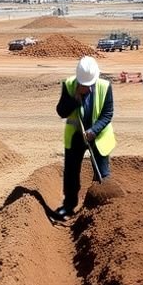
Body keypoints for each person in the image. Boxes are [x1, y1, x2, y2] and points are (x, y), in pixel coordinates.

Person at [54, 55, 116, 219]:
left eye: (89, 85)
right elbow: (61, 112)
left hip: (98, 136)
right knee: (71, 173)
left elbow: (107, 113)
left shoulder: (105, 86)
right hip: (76, 136)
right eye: (84, 85)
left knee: (102, 173)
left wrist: (93, 131)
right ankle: (69, 206)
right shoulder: (69, 85)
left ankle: (102, 208)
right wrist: (75, 99)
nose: (87, 88)